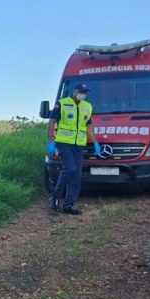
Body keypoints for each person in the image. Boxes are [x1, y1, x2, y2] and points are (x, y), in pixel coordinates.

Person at [46, 83, 100, 215]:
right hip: (63, 143)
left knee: (76, 174)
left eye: (85, 92)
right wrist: (51, 141)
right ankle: (55, 195)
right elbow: (52, 121)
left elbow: (88, 127)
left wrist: (95, 143)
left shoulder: (87, 106)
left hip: (79, 145)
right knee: (69, 168)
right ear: (75, 91)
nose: (83, 94)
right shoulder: (62, 103)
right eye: (81, 91)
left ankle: (69, 205)